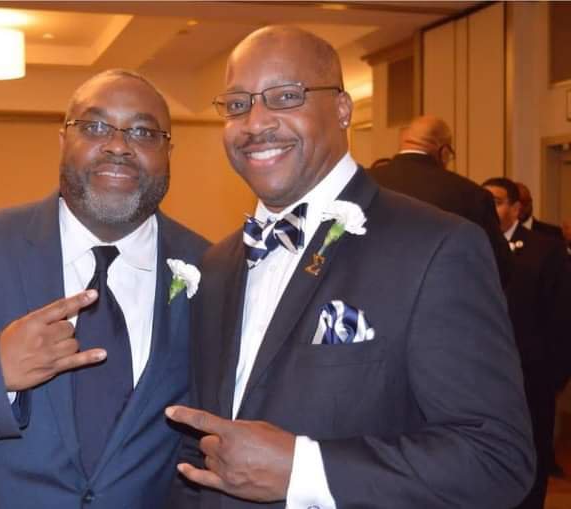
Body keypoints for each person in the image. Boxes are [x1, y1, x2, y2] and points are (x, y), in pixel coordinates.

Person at [166, 26, 534, 509]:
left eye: (285, 96)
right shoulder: (216, 265)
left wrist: (305, 471)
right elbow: (198, 448)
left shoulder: (436, 247)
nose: (255, 122)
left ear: (342, 109)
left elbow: (496, 458)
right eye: (237, 104)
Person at [0, 69, 209, 509]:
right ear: (63, 140)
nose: (119, 146)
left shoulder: (211, 269)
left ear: (168, 152)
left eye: (143, 132)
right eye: (95, 126)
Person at [483, 177, 571, 509]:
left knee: (532, 454)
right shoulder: (471, 242)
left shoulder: (544, 249)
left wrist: (554, 376)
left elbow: (561, 316)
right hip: (484, 375)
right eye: (484, 201)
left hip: (531, 376)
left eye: (496, 201)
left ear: (516, 208)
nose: (489, 208)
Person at [367, 115, 512, 287]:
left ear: (404, 143)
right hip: (441, 297)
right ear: (444, 152)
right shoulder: (471, 195)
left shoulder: (361, 183)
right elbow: (497, 265)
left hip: (368, 295)